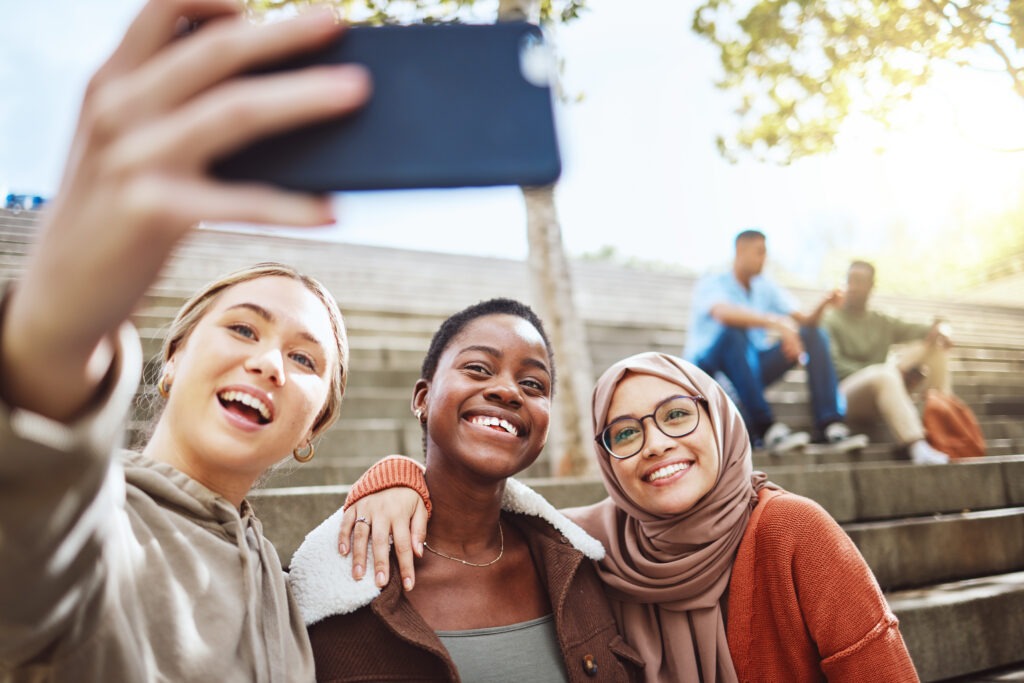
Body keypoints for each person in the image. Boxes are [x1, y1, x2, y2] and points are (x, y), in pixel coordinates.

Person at [0, 0, 372, 679]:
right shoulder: (88, 530)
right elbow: (25, 559)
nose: (267, 362)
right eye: (241, 326)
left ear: (312, 427)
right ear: (170, 360)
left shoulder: (283, 574)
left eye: (303, 357)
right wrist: (45, 351)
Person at [346, 352, 919, 682]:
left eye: (676, 414)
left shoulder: (794, 531)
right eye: (625, 432)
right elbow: (484, 510)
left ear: (718, 419)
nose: (655, 444)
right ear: (607, 457)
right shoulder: (592, 542)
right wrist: (396, 475)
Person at [287, 298, 642, 682]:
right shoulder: (333, 582)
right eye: (477, 368)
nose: (508, 391)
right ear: (422, 398)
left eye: (532, 384)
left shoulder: (578, 560)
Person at [683, 228, 866, 455]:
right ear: (740, 250)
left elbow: (805, 319)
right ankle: (766, 429)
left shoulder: (764, 286)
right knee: (734, 333)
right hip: (708, 370)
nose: (764, 258)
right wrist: (777, 323)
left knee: (813, 334)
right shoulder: (713, 282)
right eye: (759, 252)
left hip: (749, 369)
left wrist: (824, 303)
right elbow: (723, 314)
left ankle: (830, 424)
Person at [823, 261, 953, 465]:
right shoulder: (831, 320)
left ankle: (942, 419)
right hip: (846, 393)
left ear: (871, 286)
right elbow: (833, 365)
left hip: (884, 385)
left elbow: (922, 330)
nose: (853, 287)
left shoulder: (881, 321)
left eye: (859, 281)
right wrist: (889, 373)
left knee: (932, 347)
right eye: (850, 280)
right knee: (885, 374)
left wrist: (942, 330)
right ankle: (916, 445)